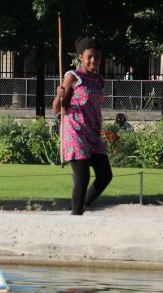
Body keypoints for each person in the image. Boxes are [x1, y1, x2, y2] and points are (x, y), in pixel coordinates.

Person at [52, 37, 113, 215]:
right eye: (90, 57)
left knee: (105, 175)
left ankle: (80, 207)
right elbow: (57, 109)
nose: (93, 61)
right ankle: (76, 215)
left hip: (92, 133)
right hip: (75, 131)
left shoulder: (99, 80)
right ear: (81, 57)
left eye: (97, 58)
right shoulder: (72, 77)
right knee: (83, 176)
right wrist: (59, 96)